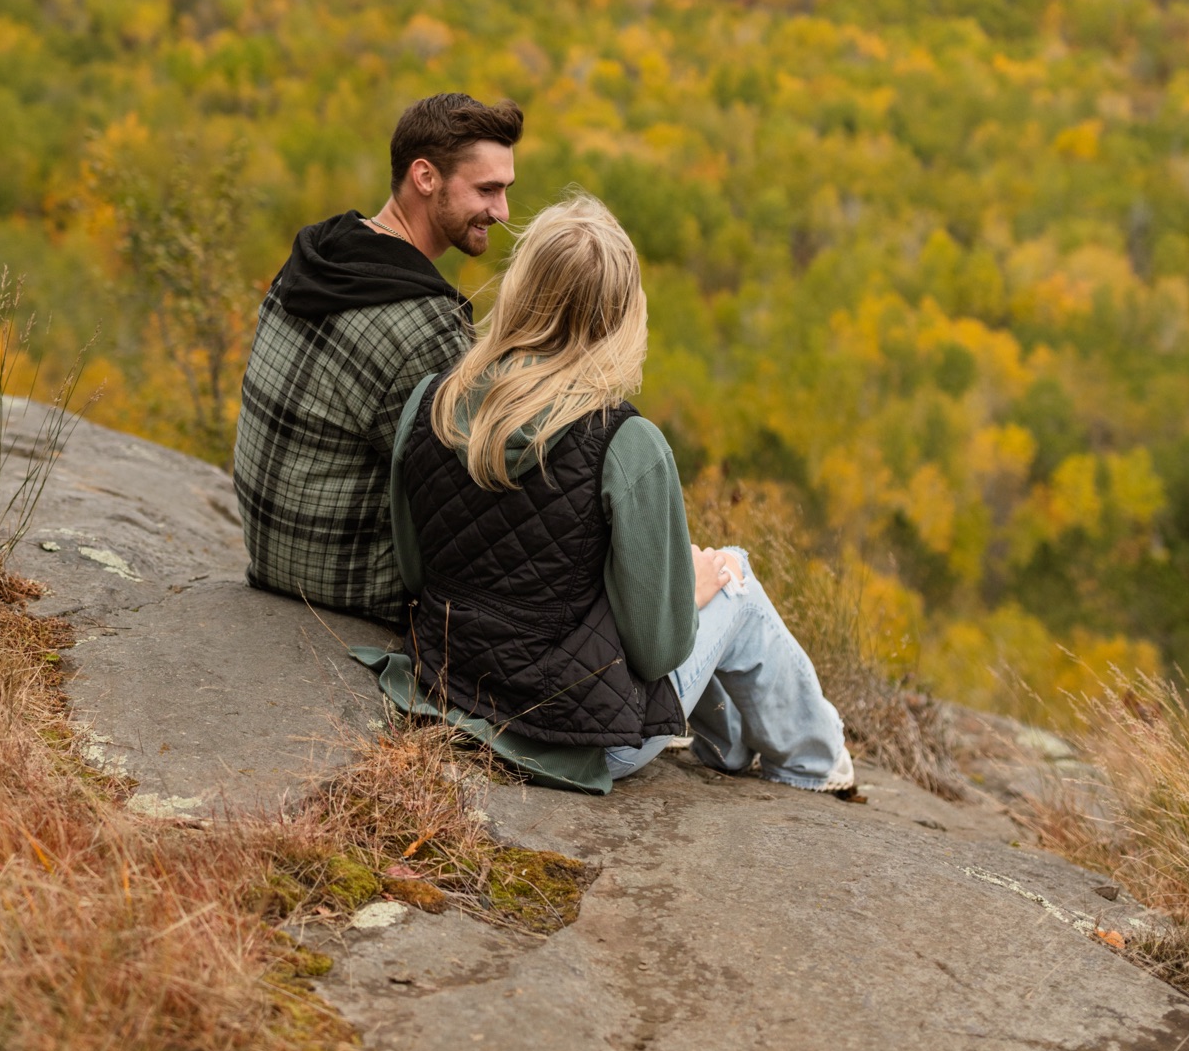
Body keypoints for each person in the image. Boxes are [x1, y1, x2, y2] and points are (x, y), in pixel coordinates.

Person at [360, 192, 853, 797]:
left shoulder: (430, 400)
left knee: (684, 579)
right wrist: (691, 590)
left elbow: (416, 572)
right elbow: (658, 653)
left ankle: (726, 747)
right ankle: (815, 766)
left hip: (448, 690)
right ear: (620, 314)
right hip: (579, 740)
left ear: (518, 288)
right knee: (734, 576)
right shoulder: (627, 443)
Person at [233, 92, 523, 625]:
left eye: (504, 190)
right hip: (350, 589)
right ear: (425, 177)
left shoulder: (318, 259)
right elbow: (474, 492)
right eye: (487, 190)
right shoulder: (421, 325)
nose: (502, 212)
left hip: (272, 555)